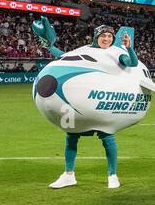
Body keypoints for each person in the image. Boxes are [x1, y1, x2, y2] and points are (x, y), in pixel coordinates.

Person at [39, 23, 131, 190]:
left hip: (106, 98)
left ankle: (112, 175)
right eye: (104, 36)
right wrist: (50, 47)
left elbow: (131, 62)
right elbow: (64, 56)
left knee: (107, 136)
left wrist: (129, 48)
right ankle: (68, 175)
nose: (107, 39)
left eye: (110, 36)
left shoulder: (117, 51)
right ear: (97, 37)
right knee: (71, 135)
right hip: (85, 97)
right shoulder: (86, 49)